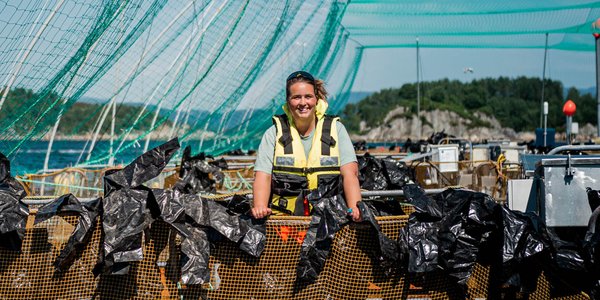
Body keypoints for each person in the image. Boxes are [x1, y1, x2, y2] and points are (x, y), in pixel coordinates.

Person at [251, 71, 362, 222]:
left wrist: (355, 207)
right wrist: (260, 206)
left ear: (316, 99)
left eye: (308, 96)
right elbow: (263, 176)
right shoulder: (273, 133)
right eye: (296, 97)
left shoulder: (337, 129)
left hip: (329, 220)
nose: (303, 103)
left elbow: (350, 174)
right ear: (288, 101)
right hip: (285, 222)